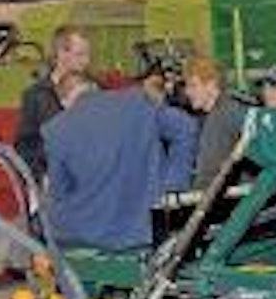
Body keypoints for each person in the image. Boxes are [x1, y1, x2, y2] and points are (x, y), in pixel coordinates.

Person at [43, 72, 198, 250]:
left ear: (63, 101)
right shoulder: (136, 101)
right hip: (148, 228)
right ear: (94, 87)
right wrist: (172, 185)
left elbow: (59, 191)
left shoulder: (56, 129)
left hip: (88, 236)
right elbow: (186, 128)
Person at [15, 25, 90, 182]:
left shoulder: (93, 88)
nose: (86, 61)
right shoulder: (35, 95)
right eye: (80, 54)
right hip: (51, 176)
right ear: (61, 53)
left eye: (87, 54)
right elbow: (24, 148)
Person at [184, 56, 252, 190]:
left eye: (193, 85)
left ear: (211, 85)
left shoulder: (222, 117)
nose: (187, 92)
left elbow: (209, 173)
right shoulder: (231, 108)